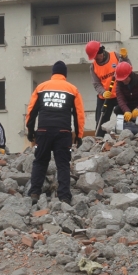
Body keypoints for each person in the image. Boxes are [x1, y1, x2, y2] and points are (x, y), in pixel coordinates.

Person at [25, 61, 85, 205]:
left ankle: (34, 193)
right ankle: (64, 197)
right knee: (63, 164)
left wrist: (30, 130)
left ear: (53, 73)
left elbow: (31, 111)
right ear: (65, 74)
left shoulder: (41, 87)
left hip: (43, 131)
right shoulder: (72, 89)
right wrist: (79, 134)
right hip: (63, 132)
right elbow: (79, 114)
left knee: (40, 162)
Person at [85, 41, 130, 137]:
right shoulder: (93, 67)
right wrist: (103, 92)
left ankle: (125, 136)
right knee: (101, 121)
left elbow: (128, 69)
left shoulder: (116, 56)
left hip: (120, 94)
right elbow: (96, 84)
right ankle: (99, 140)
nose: (97, 58)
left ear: (101, 51)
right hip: (105, 97)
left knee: (123, 116)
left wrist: (125, 58)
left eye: (98, 55)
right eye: (94, 57)